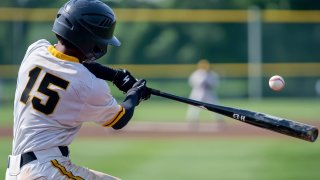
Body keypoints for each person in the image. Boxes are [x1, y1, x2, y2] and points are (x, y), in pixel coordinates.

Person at [6, 0, 150, 179]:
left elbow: (69, 63)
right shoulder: (88, 85)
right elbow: (119, 119)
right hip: (46, 170)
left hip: (17, 170)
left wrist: (115, 75)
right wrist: (134, 94)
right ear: (88, 39)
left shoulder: (35, 51)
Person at [186, 59, 223, 127]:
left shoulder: (212, 74)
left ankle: (219, 119)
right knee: (194, 106)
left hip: (209, 92)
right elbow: (191, 82)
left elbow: (215, 83)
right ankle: (193, 120)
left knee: (215, 105)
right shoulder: (196, 74)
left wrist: (208, 83)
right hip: (198, 91)